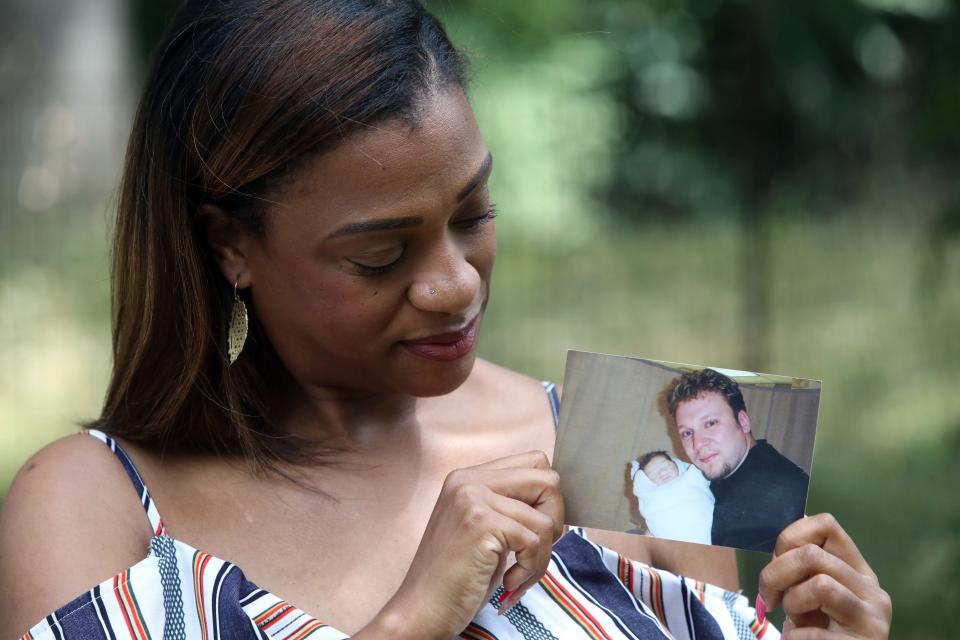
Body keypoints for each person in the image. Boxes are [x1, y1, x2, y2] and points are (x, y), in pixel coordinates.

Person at [0, 1, 891, 638]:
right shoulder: (95, 508)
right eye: (380, 256)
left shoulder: (630, 451)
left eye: (473, 214)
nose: (455, 284)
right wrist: (418, 616)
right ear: (230, 244)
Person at [667, 368, 811, 552]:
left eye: (710, 423)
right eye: (687, 433)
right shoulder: (718, 473)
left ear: (743, 422)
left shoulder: (781, 496)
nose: (698, 444)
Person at [630, 451, 715, 545]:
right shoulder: (651, 497)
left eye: (665, 466)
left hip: (706, 537)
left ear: (676, 464)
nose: (662, 472)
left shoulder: (691, 476)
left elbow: (707, 467)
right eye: (653, 474)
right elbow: (653, 524)